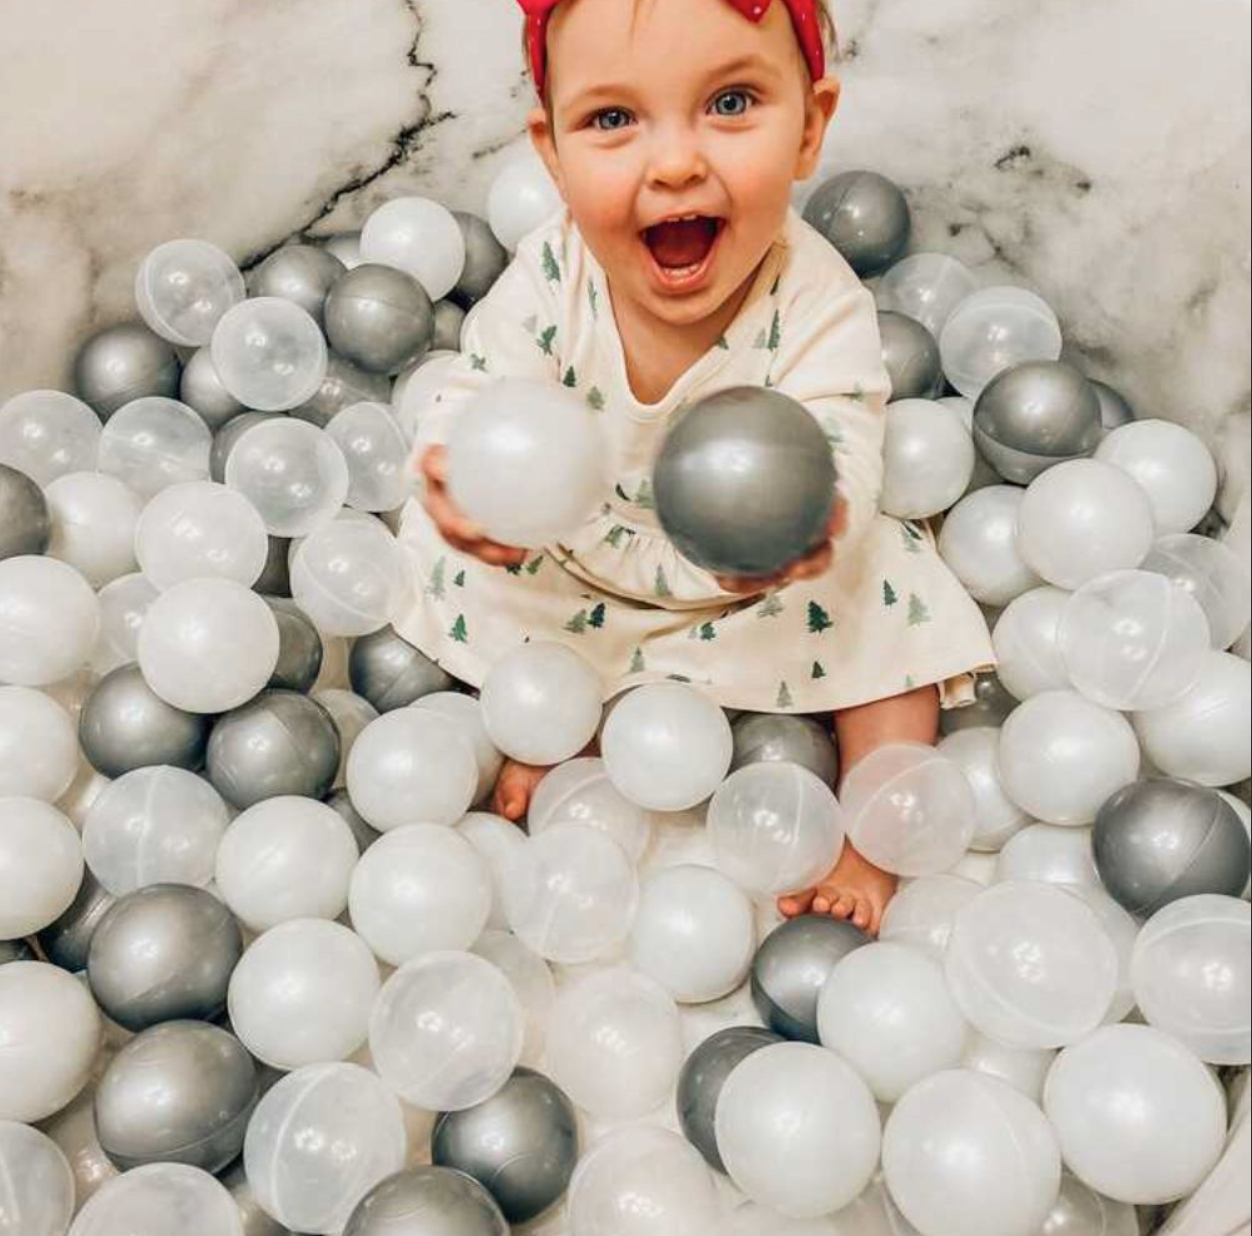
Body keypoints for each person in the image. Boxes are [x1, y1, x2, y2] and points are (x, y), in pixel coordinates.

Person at [396, 0, 993, 934]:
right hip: (581, 555)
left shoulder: (818, 298)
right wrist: (463, 473)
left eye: (730, 103)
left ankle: (876, 830)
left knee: (890, 602)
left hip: (754, 580)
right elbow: (485, 380)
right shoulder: (551, 273)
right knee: (458, 564)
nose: (675, 163)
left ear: (810, 126)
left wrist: (816, 523)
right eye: (612, 120)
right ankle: (558, 720)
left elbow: (844, 433)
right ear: (551, 154)